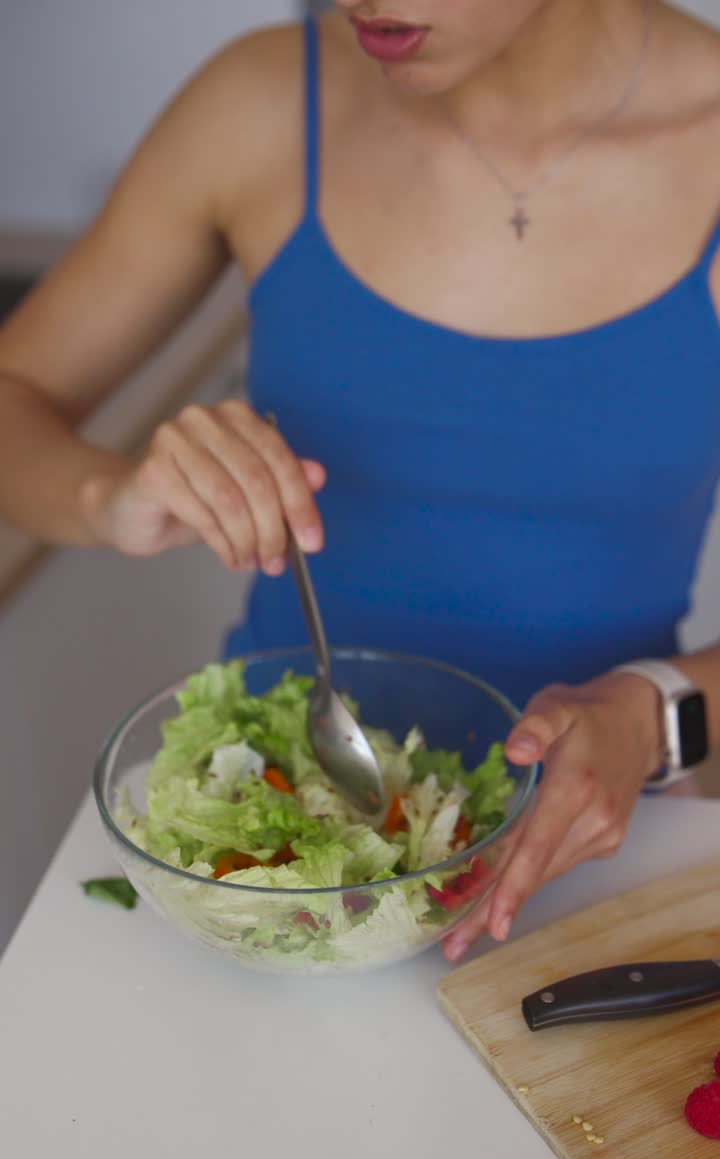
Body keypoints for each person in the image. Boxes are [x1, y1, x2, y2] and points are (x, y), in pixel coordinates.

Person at [1, 0, 719, 962]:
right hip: (265, 858)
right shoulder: (261, 104)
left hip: (605, 860)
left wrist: (655, 711)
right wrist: (110, 496)